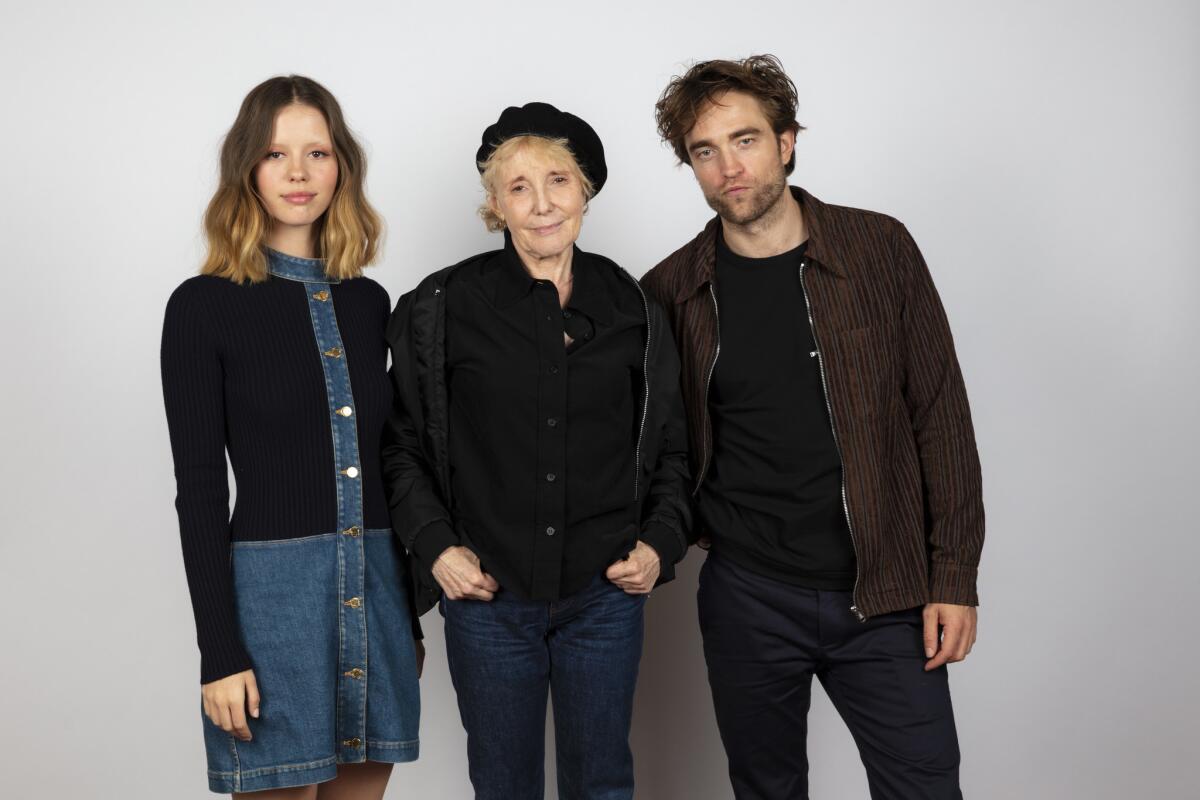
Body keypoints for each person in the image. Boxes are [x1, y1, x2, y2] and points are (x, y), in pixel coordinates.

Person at [641, 55, 984, 799]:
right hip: (748, 594)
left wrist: (954, 575)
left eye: (746, 140)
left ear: (787, 141)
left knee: (926, 786)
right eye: (705, 151)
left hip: (886, 592)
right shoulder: (671, 289)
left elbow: (941, 415)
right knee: (766, 788)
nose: (729, 167)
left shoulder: (879, 249)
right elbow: (649, 442)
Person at [381, 102, 691, 800]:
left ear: (586, 190)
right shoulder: (441, 307)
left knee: (603, 783)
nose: (542, 204)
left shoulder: (635, 309)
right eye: (518, 187)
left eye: (558, 180)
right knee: (503, 787)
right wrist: (436, 548)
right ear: (494, 205)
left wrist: (660, 544)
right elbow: (400, 444)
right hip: (489, 602)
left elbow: (671, 444)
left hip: (603, 601)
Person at [161, 75, 421, 798]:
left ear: (343, 165)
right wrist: (219, 653)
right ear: (247, 168)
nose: (300, 173)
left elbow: (394, 462)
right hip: (272, 609)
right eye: (277, 155)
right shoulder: (202, 307)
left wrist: (413, 620)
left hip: (376, 596)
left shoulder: (370, 302)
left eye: (318, 152)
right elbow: (202, 493)